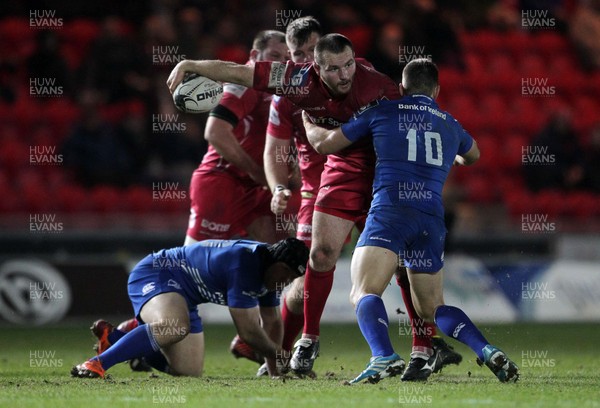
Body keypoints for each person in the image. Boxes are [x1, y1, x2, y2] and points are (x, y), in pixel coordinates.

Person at [166, 33, 461, 379]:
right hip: (339, 172)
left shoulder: (378, 86)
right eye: (334, 69)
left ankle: (423, 346)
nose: (345, 74)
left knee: (400, 264)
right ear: (314, 68)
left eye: (349, 64)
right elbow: (240, 73)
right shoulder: (295, 82)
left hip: (382, 174)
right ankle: (307, 340)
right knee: (318, 256)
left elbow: (419, 118)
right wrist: (190, 64)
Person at [302, 58, 520, 384]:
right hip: (431, 218)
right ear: (437, 91)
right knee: (432, 307)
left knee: (363, 291)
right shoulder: (448, 122)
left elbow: (326, 144)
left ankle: (382, 355)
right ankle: (487, 349)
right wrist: (451, 153)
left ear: (401, 88)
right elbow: (473, 155)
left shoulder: (384, 110)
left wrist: (308, 123)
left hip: (391, 210)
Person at [71, 237, 309, 379]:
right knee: (175, 326)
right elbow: (248, 332)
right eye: (286, 273)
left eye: (292, 278)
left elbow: (273, 322)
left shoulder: (272, 276)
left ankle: (120, 337)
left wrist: (276, 372)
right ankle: (97, 363)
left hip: (186, 297)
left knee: (188, 371)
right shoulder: (244, 265)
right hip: (158, 272)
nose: (286, 281)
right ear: (276, 262)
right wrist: (278, 354)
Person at [259, 16, 326, 374]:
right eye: (298, 54)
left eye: (313, 51)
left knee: (397, 261)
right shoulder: (286, 95)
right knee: (306, 275)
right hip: (318, 193)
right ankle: (283, 355)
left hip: (368, 183)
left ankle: (423, 347)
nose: (305, 60)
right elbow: (273, 151)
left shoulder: (354, 75)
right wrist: (280, 186)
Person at [184, 29, 289, 246]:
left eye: (287, 59)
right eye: (275, 56)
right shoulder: (243, 84)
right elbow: (215, 132)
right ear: (253, 56)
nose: (281, 64)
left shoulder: (282, 90)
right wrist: (256, 171)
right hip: (222, 180)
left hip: (256, 189)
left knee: (282, 257)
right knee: (193, 264)